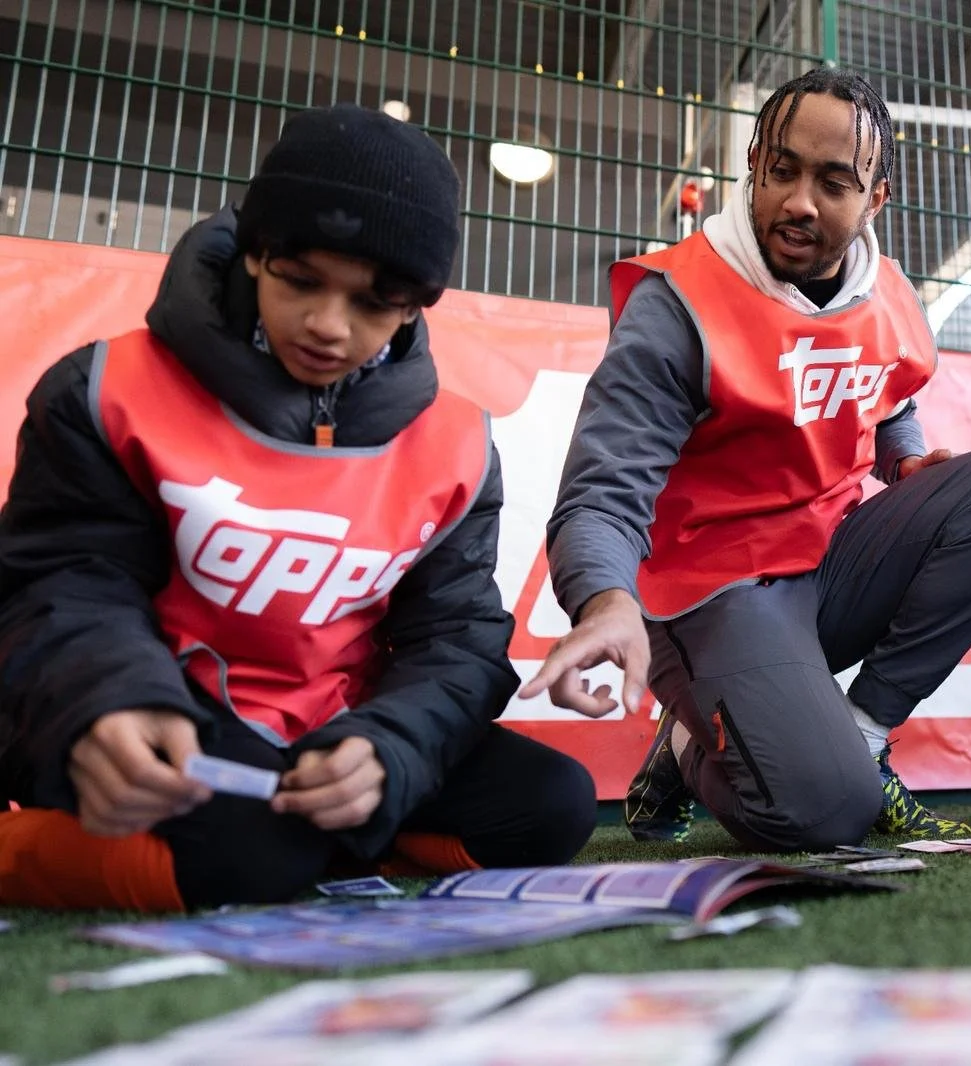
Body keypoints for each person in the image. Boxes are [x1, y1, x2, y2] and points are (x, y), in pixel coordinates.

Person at [0, 105, 596, 911]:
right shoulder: (106, 389)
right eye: (301, 279)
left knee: (553, 805)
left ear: (417, 304)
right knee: (252, 850)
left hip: (329, 734)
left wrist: (386, 753)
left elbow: (457, 637)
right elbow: (64, 584)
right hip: (157, 718)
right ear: (254, 253)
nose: (327, 325)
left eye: (375, 301)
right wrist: (110, 702)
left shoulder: (454, 440)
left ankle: (336, 826)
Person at [522, 68, 971, 850]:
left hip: (831, 561)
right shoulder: (678, 305)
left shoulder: (887, 290)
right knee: (822, 816)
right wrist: (605, 603)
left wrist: (905, 465)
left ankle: (864, 733)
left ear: (874, 200)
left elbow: (893, 397)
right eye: (781, 170)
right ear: (753, 164)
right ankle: (692, 744)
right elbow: (601, 496)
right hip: (710, 590)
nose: (799, 201)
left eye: (833, 182)